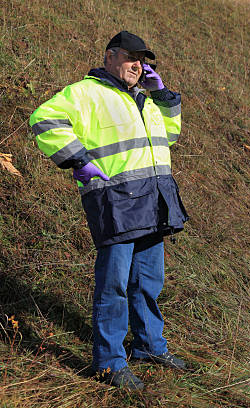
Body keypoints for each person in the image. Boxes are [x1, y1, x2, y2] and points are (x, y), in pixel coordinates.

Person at [29, 31, 189, 390]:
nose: (138, 65)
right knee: (113, 287)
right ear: (110, 56)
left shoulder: (145, 101)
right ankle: (109, 363)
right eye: (132, 57)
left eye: (143, 60)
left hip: (152, 203)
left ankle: (149, 347)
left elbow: (170, 136)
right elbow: (43, 119)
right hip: (115, 205)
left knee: (148, 283)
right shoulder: (85, 93)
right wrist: (77, 160)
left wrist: (162, 97)